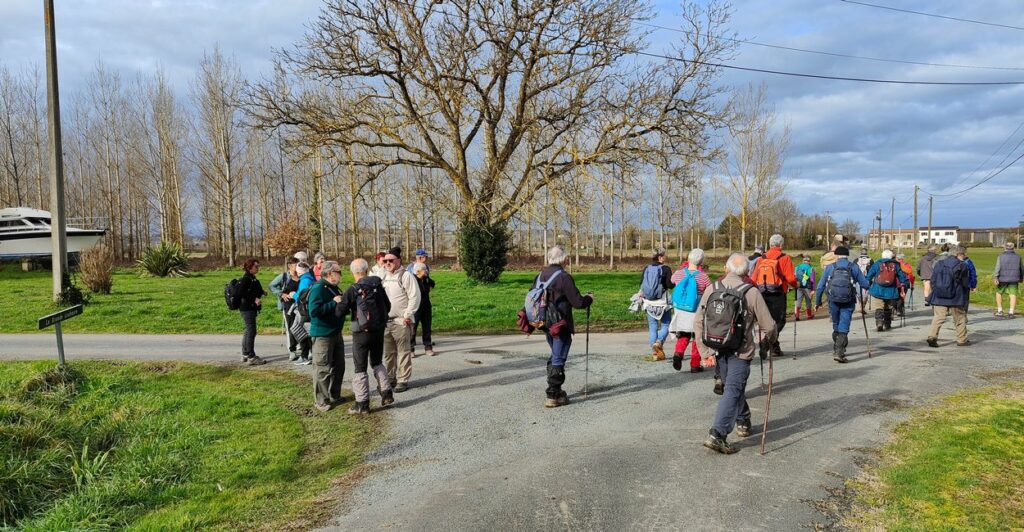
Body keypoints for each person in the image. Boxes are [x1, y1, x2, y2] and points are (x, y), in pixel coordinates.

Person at [694, 253, 777, 454]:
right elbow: (770, 325)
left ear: (726, 268)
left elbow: (698, 321)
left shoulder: (712, 289)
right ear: (747, 271)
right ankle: (718, 434)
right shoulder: (751, 292)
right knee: (733, 389)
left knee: (732, 387)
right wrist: (769, 341)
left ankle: (743, 418)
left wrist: (705, 352)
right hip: (741, 351)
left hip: (718, 348)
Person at [535, 245, 594, 408]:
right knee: (558, 357)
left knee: (555, 354)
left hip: (545, 323)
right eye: (567, 258)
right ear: (563, 260)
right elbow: (578, 302)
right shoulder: (564, 277)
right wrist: (589, 298)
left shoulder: (540, 276)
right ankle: (553, 394)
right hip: (561, 324)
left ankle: (557, 391)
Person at [337, 258, 395, 415]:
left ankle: (362, 403)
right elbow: (388, 306)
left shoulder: (353, 289)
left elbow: (339, 312)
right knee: (377, 362)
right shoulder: (377, 285)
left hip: (361, 333)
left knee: (360, 367)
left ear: (353, 272)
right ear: (367, 269)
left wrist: (339, 301)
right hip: (378, 329)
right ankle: (387, 393)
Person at [815, 246, 871, 363]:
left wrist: (818, 302)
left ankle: (837, 348)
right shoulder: (853, 267)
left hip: (833, 300)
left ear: (836, 255)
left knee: (836, 324)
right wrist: (868, 283)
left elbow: (820, 286)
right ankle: (839, 352)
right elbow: (865, 284)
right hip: (848, 300)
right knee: (844, 325)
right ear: (847, 255)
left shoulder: (830, 267)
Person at [307, 260, 347, 411]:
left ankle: (334, 394)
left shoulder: (334, 288)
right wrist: (333, 303)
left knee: (339, 366)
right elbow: (314, 312)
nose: (341, 275)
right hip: (323, 334)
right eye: (339, 272)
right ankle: (321, 400)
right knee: (322, 368)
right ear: (330, 274)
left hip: (336, 332)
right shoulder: (318, 289)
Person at [750, 234, 797, 357]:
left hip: (763, 293)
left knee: (767, 320)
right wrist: (796, 285)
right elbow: (791, 278)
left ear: (770, 244)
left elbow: (754, 278)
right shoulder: (784, 258)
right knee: (779, 321)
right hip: (778, 293)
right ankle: (765, 343)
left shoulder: (762, 258)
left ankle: (775, 348)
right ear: (781, 245)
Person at [381, 248, 421, 392]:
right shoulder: (383, 277)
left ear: (398, 260)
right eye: (385, 261)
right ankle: (390, 378)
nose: (388, 263)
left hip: (401, 321)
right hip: (386, 322)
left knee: (403, 352)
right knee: (388, 353)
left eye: (391, 260)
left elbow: (415, 297)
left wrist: (407, 315)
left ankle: (403, 380)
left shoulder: (406, 276)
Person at [669, 248, 712, 373]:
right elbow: (709, 292)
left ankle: (678, 353)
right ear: (701, 262)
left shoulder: (678, 273)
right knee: (697, 338)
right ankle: (695, 364)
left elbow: (672, 281)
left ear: (688, 259)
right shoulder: (704, 277)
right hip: (696, 311)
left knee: (683, 334)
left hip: (681, 311)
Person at [926, 245, 972, 348]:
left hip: (939, 295)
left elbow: (933, 279)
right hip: (956, 296)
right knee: (960, 318)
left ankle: (932, 336)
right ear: (959, 254)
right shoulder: (962, 265)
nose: (964, 257)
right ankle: (961, 339)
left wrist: (936, 290)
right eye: (964, 255)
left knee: (938, 317)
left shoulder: (939, 264)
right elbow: (965, 283)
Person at [640, 248, 675, 360]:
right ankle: (659, 342)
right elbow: (670, 285)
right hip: (663, 302)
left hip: (649, 302)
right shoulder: (666, 268)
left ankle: (655, 353)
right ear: (660, 257)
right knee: (666, 325)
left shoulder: (646, 268)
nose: (665, 257)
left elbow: (641, 284)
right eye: (664, 256)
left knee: (652, 326)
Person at [233, 259, 267, 366]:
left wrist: (262, 292)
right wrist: (254, 299)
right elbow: (240, 292)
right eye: (256, 266)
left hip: (249, 308)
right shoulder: (246, 279)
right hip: (247, 308)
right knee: (251, 331)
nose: (258, 268)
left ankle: (245, 354)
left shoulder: (251, 278)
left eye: (258, 266)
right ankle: (251, 357)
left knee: (248, 331)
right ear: (249, 268)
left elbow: (253, 289)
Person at [865, 250, 909, 332]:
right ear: (891, 257)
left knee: (879, 307)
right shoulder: (895, 265)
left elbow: (869, 275)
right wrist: (904, 285)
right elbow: (902, 277)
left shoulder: (878, 263)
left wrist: (866, 285)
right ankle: (887, 324)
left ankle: (879, 323)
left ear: (882, 256)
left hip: (878, 289)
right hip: (891, 290)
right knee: (888, 307)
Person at [269, 257, 301, 360]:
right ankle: (292, 350)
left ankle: (302, 347)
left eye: (299, 264)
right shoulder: (284, 277)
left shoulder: (301, 276)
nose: (298, 267)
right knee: (291, 327)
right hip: (288, 306)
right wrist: (281, 294)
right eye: (296, 265)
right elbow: (271, 285)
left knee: (301, 326)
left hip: (300, 305)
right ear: (290, 266)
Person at [290, 262, 316, 365]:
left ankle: (304, 356)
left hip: (303, 311)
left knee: (298, 330)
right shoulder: (311, 278)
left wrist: (293, 295)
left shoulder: (304, 281)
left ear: (299, 272)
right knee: (307, 332)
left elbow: (302, 297)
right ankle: (310, 354)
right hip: (308, 310)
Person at [411, 261, 436, 357]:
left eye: (426, 270)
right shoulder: (413, 279)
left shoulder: (426, 278)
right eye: (423, 270)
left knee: (427, 327)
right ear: (417, 271)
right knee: (413, 328)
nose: (426, 271)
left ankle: (428, 347)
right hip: (416, 307)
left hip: (426, 306)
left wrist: (428, 282)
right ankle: (411, 348)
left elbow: (433, 283)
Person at [993, 241, 1023, 318]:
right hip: (1014, 278)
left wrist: (995, 277)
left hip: (1002, 278)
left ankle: (1000, 310)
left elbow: (997, 267)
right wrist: (1021, 278)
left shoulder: (1000, 256)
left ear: (1005, 248)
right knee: (1013, 294)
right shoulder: (1018, 257)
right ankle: (1011, 312)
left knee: (999, 293)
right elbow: (1021, 268)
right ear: (1013, 248)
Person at [794, 255, 816, 321]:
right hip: (808, 287)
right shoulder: (811, 268)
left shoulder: (797, 267)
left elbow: (794, 276)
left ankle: (796, 315)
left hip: (798, 287)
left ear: (802, 261)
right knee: (808, 301)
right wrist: (813, 289)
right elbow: (812, 280)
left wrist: (795, 284)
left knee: (798, 301)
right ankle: (809, 315)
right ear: (809, 261)